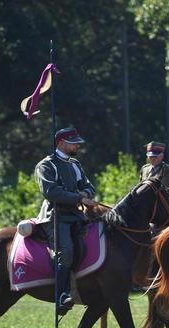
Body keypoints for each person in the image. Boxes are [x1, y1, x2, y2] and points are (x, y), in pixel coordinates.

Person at [34, 127, 96, 315]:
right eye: (74, 142)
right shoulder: (46, 165)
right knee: (66, 251)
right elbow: (50, 192)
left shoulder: (75, 164)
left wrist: (85, 193)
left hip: (76, 215)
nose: (78, 145)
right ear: (61, 143)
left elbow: (89, 187)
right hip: (55, 216)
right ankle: (61, 295)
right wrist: (78, 198)